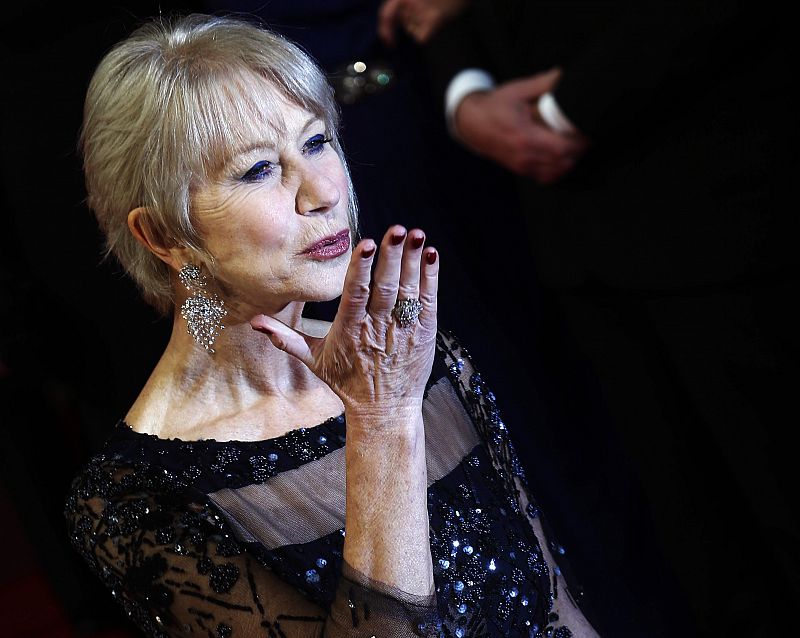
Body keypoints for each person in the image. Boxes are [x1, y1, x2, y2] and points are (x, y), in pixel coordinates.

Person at [64, 13, 600, 637]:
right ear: (163, 235)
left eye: (317, 142)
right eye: (258, 170)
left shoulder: (410, 361)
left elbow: (558, 609)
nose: (323, 191)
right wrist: (382, 422)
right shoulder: (136, 501)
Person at [379, 2, 800, 636]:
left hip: (722, 192)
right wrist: (467, 98)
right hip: (571, 237)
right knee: (700, 549)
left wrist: (560, 111)